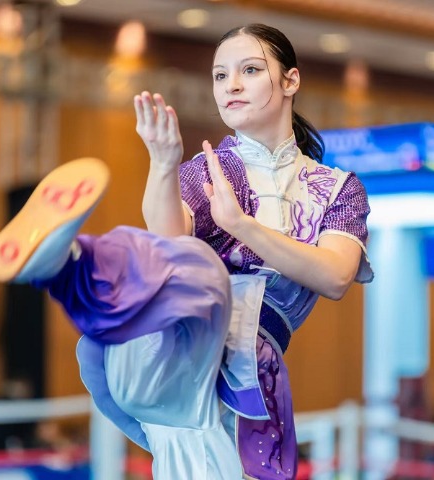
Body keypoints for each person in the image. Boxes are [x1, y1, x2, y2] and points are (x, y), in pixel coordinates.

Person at [134, 23, 373, 479]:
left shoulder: (337, 188)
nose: (232, 86)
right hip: (191, 362)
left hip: (258, 376)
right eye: (220, 76)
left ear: (290, 81)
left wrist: (242, 226)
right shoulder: (206, 170)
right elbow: (166, 240)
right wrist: (163, 166)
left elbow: (336, 276)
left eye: (249, 70)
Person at [0, 157, 244, 479]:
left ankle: (70, 267)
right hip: (183, 425)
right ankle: (70, 266)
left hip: (164, 418)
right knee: (194, 277)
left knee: (186, 279)